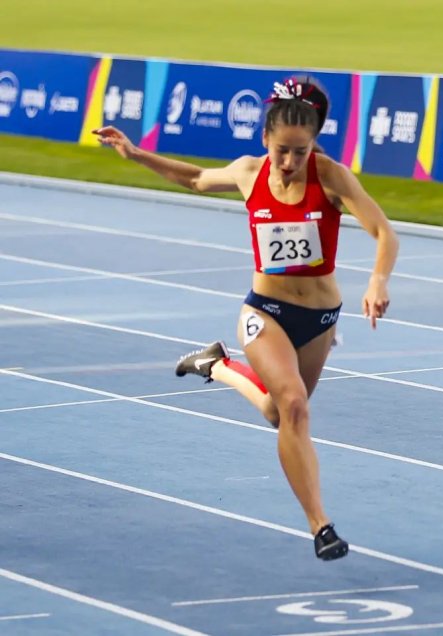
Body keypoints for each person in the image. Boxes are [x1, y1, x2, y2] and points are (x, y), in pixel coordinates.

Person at [94, 78, 399, 561]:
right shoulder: (248, 172)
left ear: (314, 145)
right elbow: (195, 178)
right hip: (265, 311)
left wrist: (378, 281)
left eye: (301, 152)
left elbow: (384, 232)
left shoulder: (331, 177)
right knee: (295, 406)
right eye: (282, 151)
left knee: (279, 413)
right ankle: (321, 526)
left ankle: (216, 365)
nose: (290, 162)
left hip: (320, 317)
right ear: (265, 140)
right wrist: (135, 154)